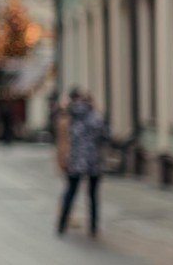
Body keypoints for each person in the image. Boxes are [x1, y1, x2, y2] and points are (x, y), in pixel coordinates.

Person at [56, 88, 107, 237]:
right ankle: (93, 227)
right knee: (92, 195)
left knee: (70, 192)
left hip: (75, 161)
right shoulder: (96, 119)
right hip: (93, 161)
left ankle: (62, 223)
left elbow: (63, 139)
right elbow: (105, 136)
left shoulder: (70, 117)